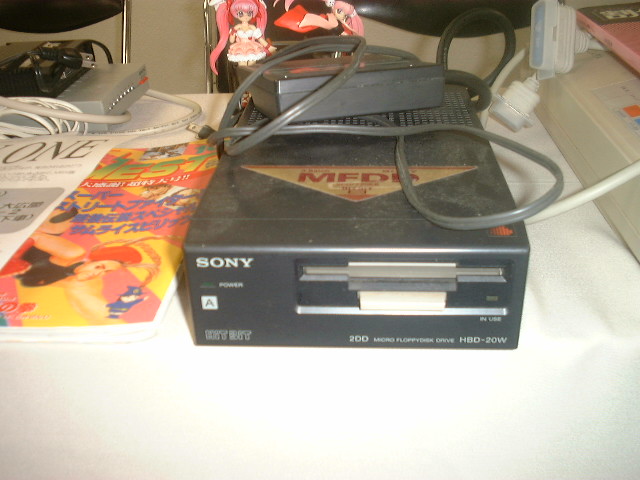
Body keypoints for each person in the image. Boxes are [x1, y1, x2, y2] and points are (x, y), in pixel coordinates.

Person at [209, 0, 276, 75]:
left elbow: (260, 38)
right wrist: (233, 33)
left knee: (252, 66)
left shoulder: (252, 27)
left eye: (249, 13)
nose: (245, 16)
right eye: (241, 13)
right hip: (240, 48)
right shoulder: (237, 28)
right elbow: (231, 40)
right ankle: (243, 78)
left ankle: (250, 79)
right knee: (242, 67)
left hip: (252, 48)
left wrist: (268, 46)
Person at [273, 0, 364, 36]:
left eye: (345, 14)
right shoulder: (330, 19)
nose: (342, 15)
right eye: (339, 11)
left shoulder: (338, 23)